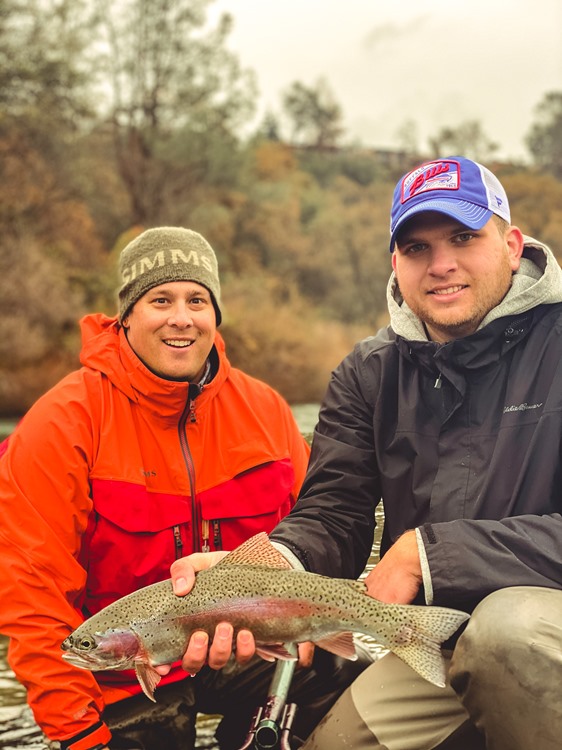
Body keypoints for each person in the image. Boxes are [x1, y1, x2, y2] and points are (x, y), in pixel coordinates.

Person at [170, 157, 562, 749]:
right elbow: (333, 514)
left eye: (463, 237)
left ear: (511, 244)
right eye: (416, 248)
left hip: (537, 627)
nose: (442, 264)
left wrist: (426, 555)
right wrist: (265, 572)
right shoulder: (367, 372)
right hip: (433, 638)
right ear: (396, 265)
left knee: (507, 634)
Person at [0, 227, 371, 750]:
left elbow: (318, 531)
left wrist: (305, 630)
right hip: (123, 675)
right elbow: (32, 603)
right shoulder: (61, 423)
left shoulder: (265, 409)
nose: (181, 317)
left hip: (252, 651)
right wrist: (78, 733)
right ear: (127, 314)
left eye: (197, 299)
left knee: (353, 674)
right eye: (160, 300)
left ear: (215, 313)